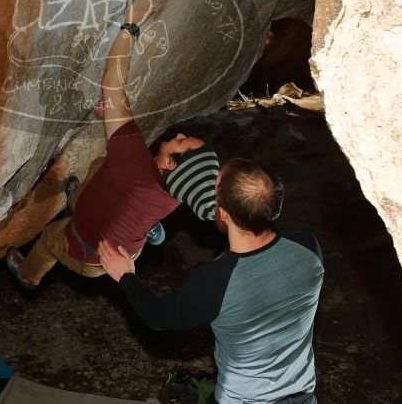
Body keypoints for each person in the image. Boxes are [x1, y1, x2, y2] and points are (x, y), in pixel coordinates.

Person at [5, 0, 206, 289]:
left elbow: (112, 84)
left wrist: (131, 26)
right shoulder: (183, 190)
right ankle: (81, 200)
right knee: (102, 165)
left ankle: (28, 276)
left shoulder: (134, 163)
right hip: (128, 251)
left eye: (183, 142)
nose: (178, 135)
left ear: (169, 163)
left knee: (50, 240)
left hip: (88, 254)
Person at [99, 158, 324, 404]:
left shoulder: (215, 280)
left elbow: (159, 316)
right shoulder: (307, 246)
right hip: (302, 395)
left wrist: (125, 275)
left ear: (224, 213)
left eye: (215, 189)